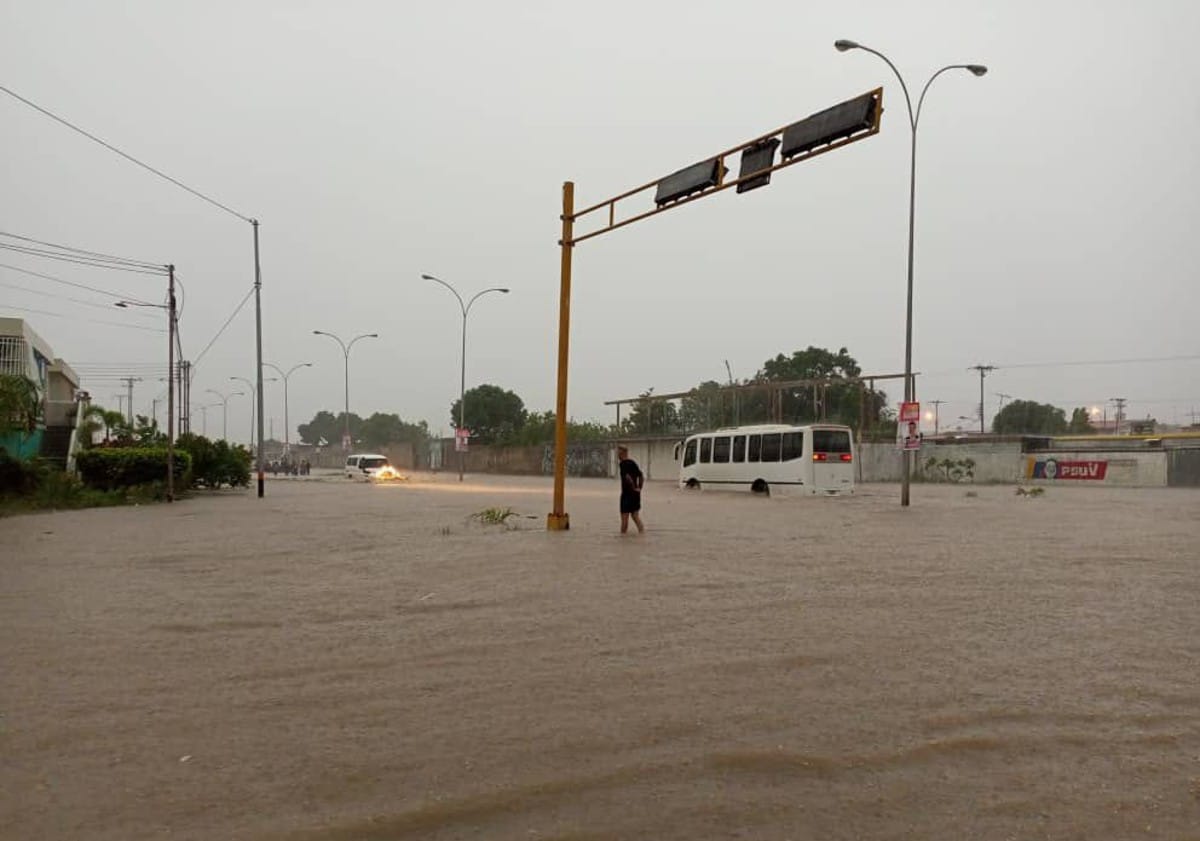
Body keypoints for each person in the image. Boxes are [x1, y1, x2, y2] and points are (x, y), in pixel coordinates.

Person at [617, 445, 645, 534]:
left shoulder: (623, 464)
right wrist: (639, 488)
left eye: (619, 453)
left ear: (623, 453)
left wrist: (632, 487)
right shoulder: (633, 463)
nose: (618, 455)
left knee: (624, 518)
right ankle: (642, 533)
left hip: (627, 494)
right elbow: (641, 476)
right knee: (635, 516)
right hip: (635, 494)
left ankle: (622, 538)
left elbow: (627, 477)